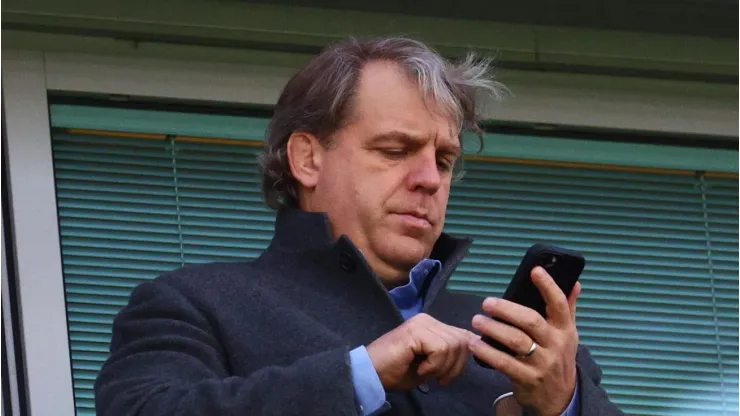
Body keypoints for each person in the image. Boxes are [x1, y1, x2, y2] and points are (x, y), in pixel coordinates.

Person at [94, 37, 624, 416]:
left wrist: (562, 405)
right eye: (395, 151)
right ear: (307, 160)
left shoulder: (523, 342)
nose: (428, 180)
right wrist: (360, 375)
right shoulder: (193, 305)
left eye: (443, 160)